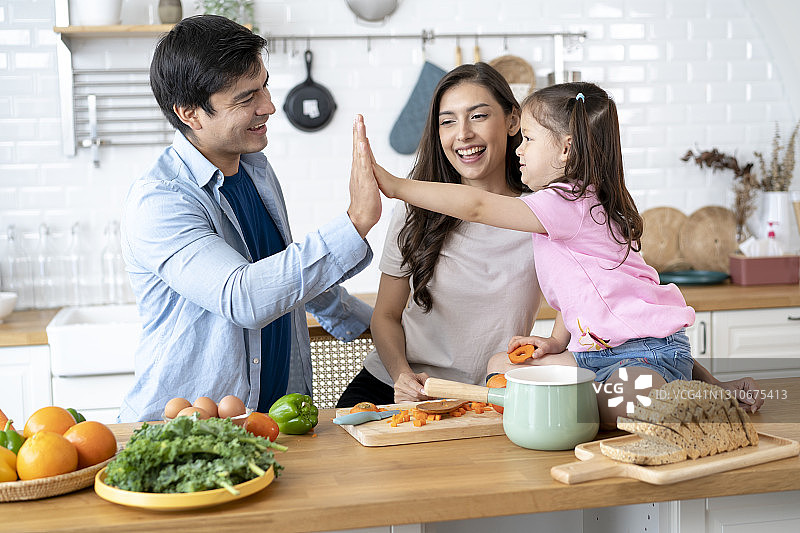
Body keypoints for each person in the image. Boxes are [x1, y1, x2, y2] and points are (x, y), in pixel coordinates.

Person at [367, 81, 763, 426]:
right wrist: (556, 342)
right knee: (500, 367)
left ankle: (677, 402)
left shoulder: (560, 202)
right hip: (598, 355)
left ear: (566, 149)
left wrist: (395, 185)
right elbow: (581, 294)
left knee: (615, 406)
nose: (519, 150)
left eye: (529, 139)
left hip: (640, 354)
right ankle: (667, 397)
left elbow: (477, 206)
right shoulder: (585, 208)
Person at [117, 15, 381, 422]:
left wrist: (374, 323)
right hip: (187, 433)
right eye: (246, 98)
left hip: (272, 425)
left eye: (265, 86)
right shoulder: (161, 201)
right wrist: (355, 221)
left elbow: (280, 268)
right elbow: (244, 296)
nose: (269, 106)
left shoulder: (255, 166)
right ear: (190, 113)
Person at [336, 63, 542, 407]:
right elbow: (385, 315)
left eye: (477, 116)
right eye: (447, 121)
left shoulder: (540, 216)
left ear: (511, 120)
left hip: (481, 398)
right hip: (392, 389)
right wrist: (401, 375)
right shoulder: (414, 210)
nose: (462, 134)